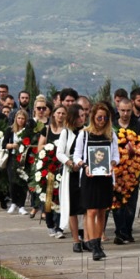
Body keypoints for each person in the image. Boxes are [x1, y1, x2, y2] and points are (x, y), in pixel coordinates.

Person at [74, 102, 120, 261]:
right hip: (90, 177)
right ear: (93, 117)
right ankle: (93, 244)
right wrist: (85, 166)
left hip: (105, 177)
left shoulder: (111, 134)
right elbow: (77, 156)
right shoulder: (84, 134)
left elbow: (116, 156)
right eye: (99, 117)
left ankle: (99, 243)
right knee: (91, 210)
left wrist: (112, 164)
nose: (101, 120)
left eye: (105, 118)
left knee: (102, 211)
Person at [112, 98, 140, 245]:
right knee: (117, 202)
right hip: (117, 171)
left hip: (133, 171)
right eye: (123, 110)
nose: (125, 113)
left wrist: (135, 153)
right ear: (118, 109)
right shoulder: (112, 126)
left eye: (128, 110)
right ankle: (120, 231)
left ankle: (128, 231)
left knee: (130, 204)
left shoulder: (138, 126)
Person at [57, 104, 87, 253]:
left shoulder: (87, 131)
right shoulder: (66, 133)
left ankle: (87, 238)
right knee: (73, 208)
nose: (82, 119)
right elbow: (59, 153)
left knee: (86, 207)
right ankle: (76, 240)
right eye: (79, 116)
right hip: (72, 173)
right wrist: (70, 162)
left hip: (85, 171)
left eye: (84, 115)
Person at [38, 104, 67, 236]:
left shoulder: (67, 130)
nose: (60, 116)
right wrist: (49, 149)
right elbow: (39, 148)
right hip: (49, 167)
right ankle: (50, 224)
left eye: (63, 113)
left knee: (61, 197)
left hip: (62, 167)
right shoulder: (47, 129)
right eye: (58, 113)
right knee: (49, 197)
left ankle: (60, 225)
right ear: (53, 114)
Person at [3, 109, 30, 216]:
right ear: (15, 119)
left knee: (22, 182)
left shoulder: (27, 131)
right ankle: (13, 202)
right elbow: (4, 144)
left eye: (23, 118)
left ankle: (21, 205)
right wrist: (12, 145)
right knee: (12, 181)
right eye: (19, 118)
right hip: (12, 158)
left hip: (24, 159)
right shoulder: (10, 130)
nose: (20, 120)